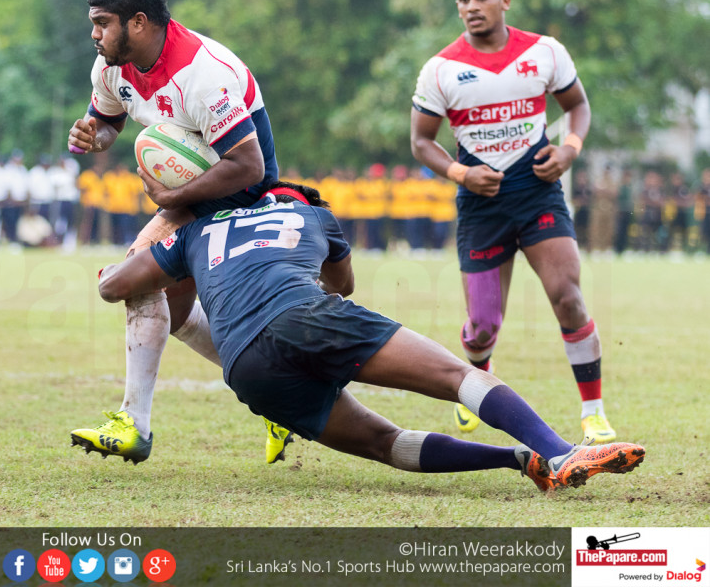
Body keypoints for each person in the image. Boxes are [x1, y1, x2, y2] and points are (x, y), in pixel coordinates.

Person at [93, 181, 645, 490]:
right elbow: (344, 285)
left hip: (246, 370)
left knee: (386, 445)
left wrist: (164, 223)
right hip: (306, 316)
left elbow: (115, 286)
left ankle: (519, 461)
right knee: (459, 376)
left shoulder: (193, 234)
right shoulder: (313, 217)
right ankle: (561, 451)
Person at [66, 0, 286, 465]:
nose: (94, 34)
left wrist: (171, 198)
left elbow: (249, 165)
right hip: (190, 195)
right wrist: (91, 137)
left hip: (245, 194)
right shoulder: (111, 67)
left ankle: (133, 424)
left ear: (138, 23)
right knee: (179, 311)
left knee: (132, 275)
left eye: (102, 23)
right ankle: (278, 396)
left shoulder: (202, 74)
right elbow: (106, 124)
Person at [410, 0, 616, 445]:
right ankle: (478, 374)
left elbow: (578, 106)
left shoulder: (544, 52)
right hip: (481, 204)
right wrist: (461, 173)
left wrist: (569, 149)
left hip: (537, 191)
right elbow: (421, 142)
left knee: (567, 295)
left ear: (505, 1)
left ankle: (593, 412)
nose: (471, 7)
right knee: (482, 327)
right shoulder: (440, 69)